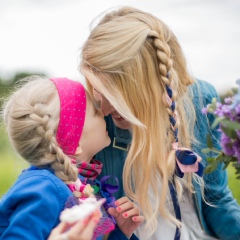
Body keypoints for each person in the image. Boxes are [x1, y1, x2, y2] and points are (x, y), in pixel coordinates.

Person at [79, 6, 240, 240]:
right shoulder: (93, 124)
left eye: (118, 97)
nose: (103, 108)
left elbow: (216, 200)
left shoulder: (200, 100)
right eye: (99, 90)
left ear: (150, 89)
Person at [0, 76, 143, 240]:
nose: (104, 113)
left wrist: (121, 233)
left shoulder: (85, 186)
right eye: (96, 112)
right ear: (75, 144)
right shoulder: (43, 187)